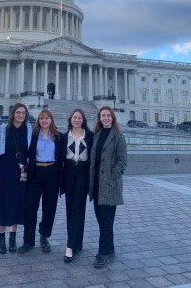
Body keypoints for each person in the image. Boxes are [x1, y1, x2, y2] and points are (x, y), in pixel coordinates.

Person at [18, 109, 62, 254]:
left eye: (47, 118)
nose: (44, 121)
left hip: (52, 173)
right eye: (42, 118)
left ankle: (44, 237)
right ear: (38, 120)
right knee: (29, 208)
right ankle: (28, 240)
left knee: (49, 208)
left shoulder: (58, 136)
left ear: (51, 120)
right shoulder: (33, 135)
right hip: (35, 173)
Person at [89, 106, 127, 268]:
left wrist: (113, 175)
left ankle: (102, 253)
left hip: (109, 185)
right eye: (102, 116)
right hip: (97, 184)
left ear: (112, 118)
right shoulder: (97, 135)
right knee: (102, 220)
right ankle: (110, 248)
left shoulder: (118, 136)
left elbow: (122, 161)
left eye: (108, 115)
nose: (105, 118)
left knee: (105, 220)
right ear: (99, 118)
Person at [0, 103, 33, 254]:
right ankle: (1, 235)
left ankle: (13, 236)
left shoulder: (29, 128)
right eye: (18, 112)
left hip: (22, 170)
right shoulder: (3, 129)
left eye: (23, 113)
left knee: (18, 201)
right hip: (6, 169)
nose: (21, 115)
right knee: (4, 201)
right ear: (12, 114)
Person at [61, 109, 93, 263]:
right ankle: (75, 243)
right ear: (71, 119)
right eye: (74, 117)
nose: (77, 120)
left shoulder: (90, 136)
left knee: (79, 209)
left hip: (82, 173)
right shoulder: (63, 136)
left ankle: (71, 245)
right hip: (68, 172)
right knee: (70, 209)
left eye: (79, 117)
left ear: (83, 120)